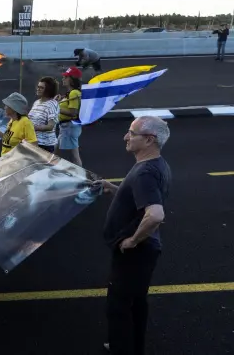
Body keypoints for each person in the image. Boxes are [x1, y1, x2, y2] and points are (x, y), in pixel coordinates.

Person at [95, 116, 171, 355]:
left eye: (131, 133)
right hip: (144, 252)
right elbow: (142, 201)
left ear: (149, 139)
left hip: (137, 252)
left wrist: (132, 240)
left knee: (119, 305)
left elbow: (156, 214)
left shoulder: (144, 172)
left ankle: (122, 348)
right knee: (135, 302)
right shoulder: (157, 164)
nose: (126, 137)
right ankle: (132, 345)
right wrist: (113, 189)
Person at [0, 92, 37, 156]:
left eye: (7, 106)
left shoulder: (26, 122)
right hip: (5, 159)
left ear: (14, 108)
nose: (4, 108)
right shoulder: (12, 120)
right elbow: (7, 139)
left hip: (14, 162)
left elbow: (33, 145)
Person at [57, 67, 83, 166]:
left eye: (66, 77)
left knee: (72, 156)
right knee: (58, 151)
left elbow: (73, 113)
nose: (63, 79)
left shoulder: (74, 93)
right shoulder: (71, 93)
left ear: (72, 79)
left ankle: (80, 176)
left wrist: (57, 107)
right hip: (66, 128)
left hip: (68, 128)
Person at [29, 77, 60, 153]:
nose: (38, 89)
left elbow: (50, 126)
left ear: (48, 90)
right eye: (38, 87)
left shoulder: (52, 105)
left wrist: (32, 127)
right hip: (33, 141)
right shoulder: (36, 102)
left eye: (41, 88)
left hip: (45, 145)